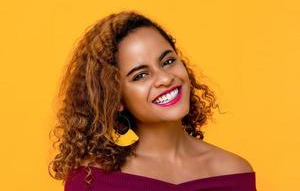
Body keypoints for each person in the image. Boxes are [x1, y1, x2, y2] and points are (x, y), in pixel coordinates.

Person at [48, 11, 256, 191]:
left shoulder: (235, 173)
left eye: (168, 61)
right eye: (140, 75)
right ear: (116, 98)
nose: (165, 78)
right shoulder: (91, 179)